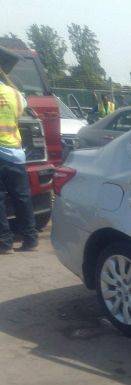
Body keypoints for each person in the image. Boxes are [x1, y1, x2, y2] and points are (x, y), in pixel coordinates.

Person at [0, 68, 37, 253]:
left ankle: (5, 243)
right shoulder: (15, 94)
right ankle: (30, 239)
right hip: (15, 153)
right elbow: (23, 106)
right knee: (22, 198)